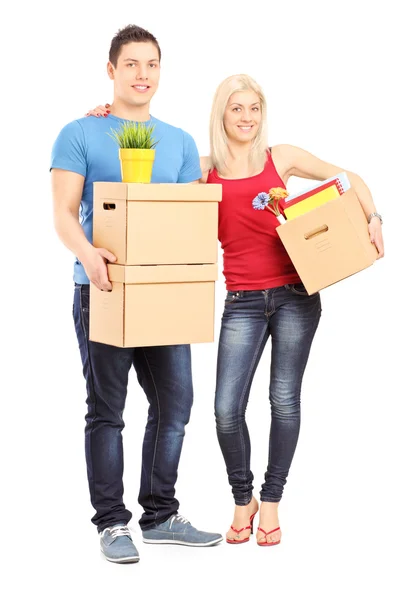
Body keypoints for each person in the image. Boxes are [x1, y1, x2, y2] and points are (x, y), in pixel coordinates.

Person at [86, 74, 384, 547]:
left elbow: (350, 179)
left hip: (296, 296)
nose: (247, 118)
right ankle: (242, 497)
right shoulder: (204, 169)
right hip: (242, 301)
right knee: (226, 410)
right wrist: (105, 121)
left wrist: (373, 218)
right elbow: (143, 170)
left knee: (283, 400)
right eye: (236, 109)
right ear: (221, 115)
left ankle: (270, 504)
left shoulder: (280, 158)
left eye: (254, 109)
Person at [50, 24, 223, 564]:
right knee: (107, 408)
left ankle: (161, 515)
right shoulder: (79, 131)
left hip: (163, 293)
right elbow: (62, 213)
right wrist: (87, 254)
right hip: (100, 288)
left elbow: (189, 218)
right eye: (131, 64)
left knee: (176, 404)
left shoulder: (180, 141)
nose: (142, 74)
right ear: (112, 70)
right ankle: (111, 524)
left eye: (151, 64)